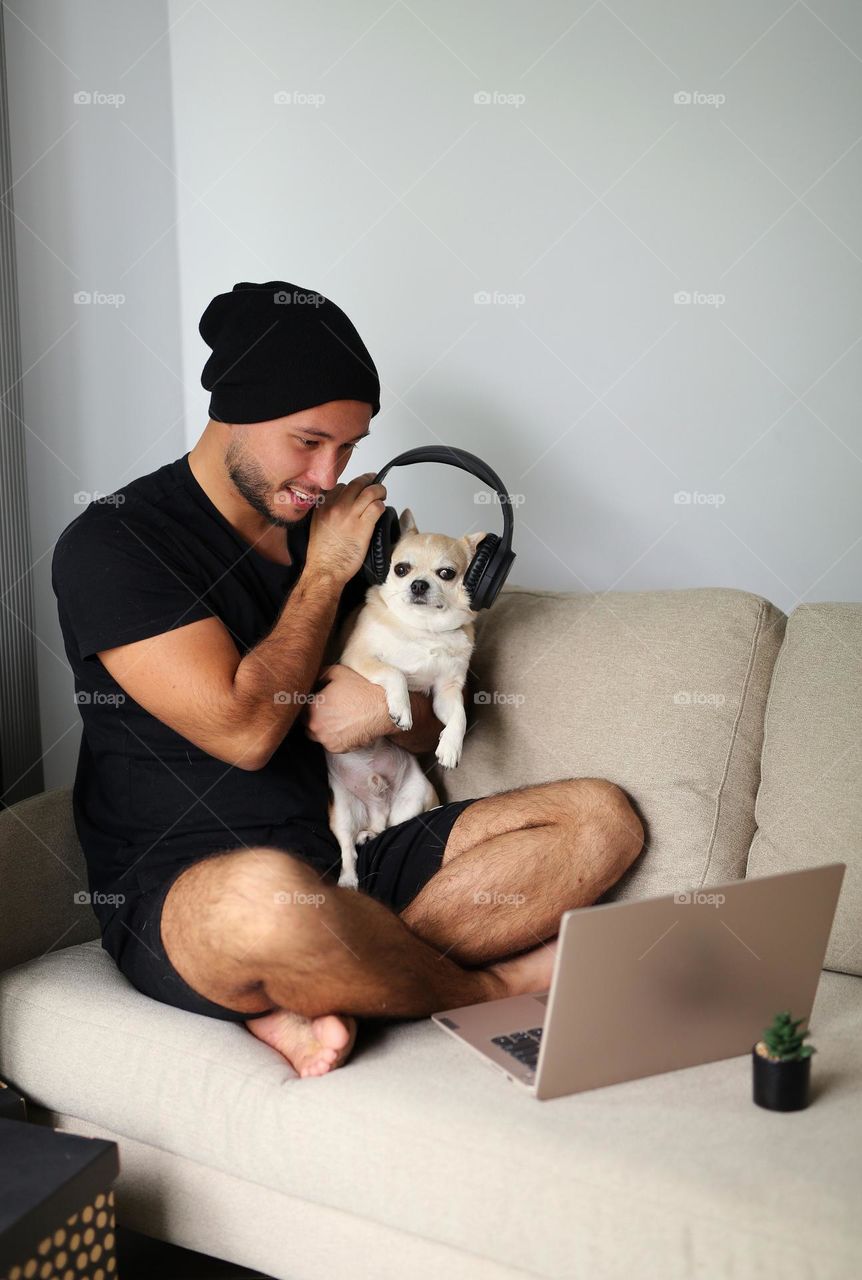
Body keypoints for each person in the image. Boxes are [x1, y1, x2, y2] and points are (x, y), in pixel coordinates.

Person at [52, 280, 644, 1078]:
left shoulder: (345, 540)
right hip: (191, 883)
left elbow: (437, 735)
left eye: (350, 448)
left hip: (359, 852)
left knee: (601, 821)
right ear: (231, 413)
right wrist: (325, 572)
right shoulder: (115, 544)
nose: (328, 476)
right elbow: (248, 731)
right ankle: (480, 984)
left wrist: (384, 713)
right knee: (266, 900)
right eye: (307, 441)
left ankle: (332, 974)